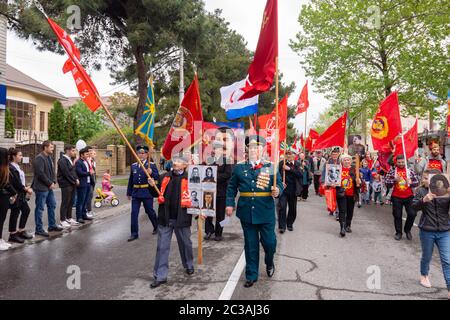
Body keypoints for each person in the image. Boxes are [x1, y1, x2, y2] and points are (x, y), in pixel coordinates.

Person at [226, 135, 283, 288]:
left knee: (269, 243)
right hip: (246, 212)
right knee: (250, 245)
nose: (253, 150)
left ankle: (269, 262)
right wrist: (229, 203)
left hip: (266, 211)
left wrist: (277, 190)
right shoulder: (239, 167)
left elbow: (279, 185)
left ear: (262, 149)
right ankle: (251, 275)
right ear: (247, 149)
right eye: (250, 147)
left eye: (256, 147)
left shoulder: (270, 166)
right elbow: (231, 187)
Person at [150, 155, 194, 288]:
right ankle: (160, 275)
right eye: (174, 161)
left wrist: (201, 212)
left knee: (186, 244)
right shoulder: (164, 177)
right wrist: (152, 186)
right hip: (165, 217)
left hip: (182, 217)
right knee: (162, 247)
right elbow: (155, 193)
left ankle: (188, 264)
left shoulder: (190, 178)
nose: (175, 163)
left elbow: (198, 196)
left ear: (185, 165)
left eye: (179, 161)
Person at [412, 170, 450, 300]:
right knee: (427, 256)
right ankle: (424, 275)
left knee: (447, 260)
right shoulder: (421, 191)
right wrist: (424, 200)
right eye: (425, 178)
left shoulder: (446, 191)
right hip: (427, 230)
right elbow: (413, 207)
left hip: (444, 231)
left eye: (430, 178)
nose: (427, 180)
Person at [205, 127, 234, 241]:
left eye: (219, 148)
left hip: (221, 191)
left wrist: (214, 177)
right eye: (215, 147)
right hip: (210, 191)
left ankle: (219, 233)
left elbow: (228, 174)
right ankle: (209, 231)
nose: (217, 150)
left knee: (220, 215)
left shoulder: (227, 160)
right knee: (208, 213)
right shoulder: (209, 160)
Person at [126, 145, 159, 241]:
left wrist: (151, 172)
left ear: (147, 154)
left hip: (147, 192)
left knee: (149, 211)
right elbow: (131, 180)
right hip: (136, 193)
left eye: (143, 153)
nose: (141, 155)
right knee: (134, 213)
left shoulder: (151, 165)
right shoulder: (133, 166)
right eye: (139, 153)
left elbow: (157, 177)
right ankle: (134, 233)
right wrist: (129, 192)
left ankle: (156, 226)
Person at [32, 141, 62, 237]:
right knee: (40, 208)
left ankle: (52, 225)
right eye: (51, 147)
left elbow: (51, 171)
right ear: (45, 147)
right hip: (41, 188)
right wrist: (49, 183)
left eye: (53, 147)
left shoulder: (49, 157)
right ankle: (39, 229)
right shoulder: (39, 158)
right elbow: (40, 173)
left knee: (52, 205)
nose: (52, 149)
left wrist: (53, 181)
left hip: (48, 187)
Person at [385, 154, 420, 241]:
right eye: (399, 162)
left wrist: (411, 182)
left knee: (412, 214)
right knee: (397, 215)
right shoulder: (392, 171)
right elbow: (386, 183)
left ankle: (407, 230)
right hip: (396, 197)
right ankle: (398, 232)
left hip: (409, 196)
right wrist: (394, 180)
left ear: (405, 162)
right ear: (396, 162)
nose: (401, 164)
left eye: (402, 162)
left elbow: (417, 182)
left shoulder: (409, 171)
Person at [8, 148, 33, 243]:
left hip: (21, 192)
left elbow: (21, 180)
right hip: (16, 193)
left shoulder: (17, 166)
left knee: (26, 210)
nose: (21, 157)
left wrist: (26, 186)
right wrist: (26, 188)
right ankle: (13, 234)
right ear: (14, 156)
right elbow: (16, 182)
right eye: (20, 155)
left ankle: (21, 231)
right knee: (15, 213)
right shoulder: (11, 167)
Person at [278, 149, 301, 233]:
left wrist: (289, 169)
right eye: (287, 154)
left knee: (292, 208)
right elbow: (276, 175)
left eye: (290, 154)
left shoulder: (297, 164)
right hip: (283, 190)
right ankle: (282, 226)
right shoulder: (281, 163)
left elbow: (300, 174)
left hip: (293, 190)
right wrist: (280, 182)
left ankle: (290, 224)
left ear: (293, 156)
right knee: (282, 207)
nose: (288, 156)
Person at [337, 154, 360, 237]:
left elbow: (359, 182)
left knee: (350, 211)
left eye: (348, 160)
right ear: (342, 161)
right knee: (342, 210)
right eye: (345, 160)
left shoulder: (354, 170)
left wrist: (359, 182)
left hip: (351, 194)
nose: (347, 161)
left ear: (350, 161)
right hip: (341, 193)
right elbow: (333, 179)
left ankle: (348, 225)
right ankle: (342, 228)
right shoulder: (338, 169)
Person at [57, 145, 80, 228]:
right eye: (73, 150)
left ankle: (69, 218)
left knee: (71, 201)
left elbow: (73, 171)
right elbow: (66, 173)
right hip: (66, 184)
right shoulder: (62, 160)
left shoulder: (70, 159)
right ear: (67, 151)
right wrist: (74, 180)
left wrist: (76, 179)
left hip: (72, 184)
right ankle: (62, 220)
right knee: (65, 202)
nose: (74, 152)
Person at [0, 147, 17, 251]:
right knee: (0, 219)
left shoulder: (4, 168)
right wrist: (14, 192)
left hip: (4, 197)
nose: (8, 157)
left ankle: (1, 239)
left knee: (2, 219)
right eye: (6, 155)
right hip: (2, 196)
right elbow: (5, 183)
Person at [75, 148, 94, 224]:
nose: (88, 155)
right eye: (86, 154)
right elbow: (79, 172)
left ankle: (84, 215)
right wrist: (89, 173)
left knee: (85, 200)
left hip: (88, 183)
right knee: (80, 201)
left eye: (88, 154)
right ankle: (79, 217)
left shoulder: (86, 161)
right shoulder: (78, 162)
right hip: (82, 184)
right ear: (81, 155)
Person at [322, 147, 341, 217]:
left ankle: (337, 212)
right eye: (333, 154)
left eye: (336, 154)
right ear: (331, 155)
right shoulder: (327, 163)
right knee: (331, 197)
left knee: (338, 198)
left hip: (338, 183)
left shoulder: (341, 163)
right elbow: (324, 172)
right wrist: (323, 182)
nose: (334, 156)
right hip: (329, 183)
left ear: (338, 154)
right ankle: (331, 209)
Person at [84, 147, 97, 218]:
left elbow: (94, 172)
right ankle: (88, 210)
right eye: (91, 153)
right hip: (88, 181)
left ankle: (88, 210)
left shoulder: (93, 161)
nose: (93, 155)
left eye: (94, 153)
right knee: (89, 196)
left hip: (93, 181)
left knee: (90, 196)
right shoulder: (88, 161)